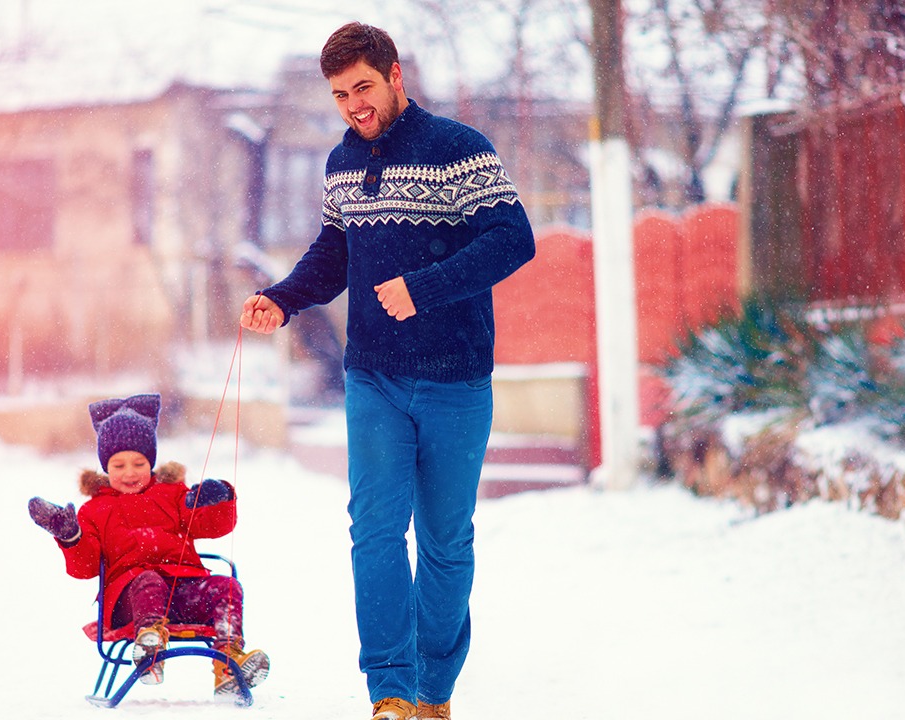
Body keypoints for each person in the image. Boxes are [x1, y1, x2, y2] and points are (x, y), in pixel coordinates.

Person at [239, 21, 535, 720]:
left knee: (444, 541)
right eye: (341, 94)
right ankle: (391, 691)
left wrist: (424, 285)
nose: (354, 105)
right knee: (374, 532)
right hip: (373, 376)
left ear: (395, 76)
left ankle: (435, 690)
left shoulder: (459, 151)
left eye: (363, 87)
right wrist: (282, 300)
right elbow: (334, 253)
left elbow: (513, 238)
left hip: (455, 379)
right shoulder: (341, 163)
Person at [27, 393, 269, 700]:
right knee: (147, 581)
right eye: (119, 464)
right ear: (105, 467)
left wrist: (215, 499)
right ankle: (148, 648)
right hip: (130, 601)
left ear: (151, 462)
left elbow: (213, 525)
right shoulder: (95, 510)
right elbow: (86, 568)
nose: (130, 472)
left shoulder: (172, 494)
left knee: (226, 586)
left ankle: (229, 664)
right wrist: (70, 535)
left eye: (139, 463)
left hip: (181, 589)